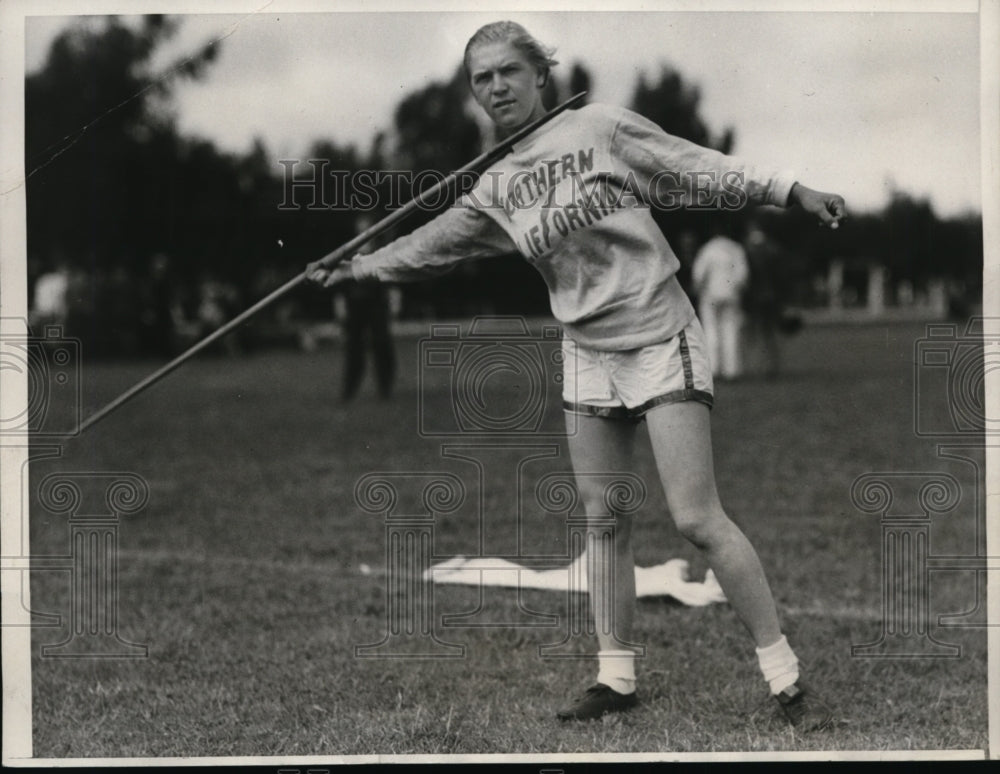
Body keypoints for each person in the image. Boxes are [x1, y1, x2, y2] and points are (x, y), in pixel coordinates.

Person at [307, 20, 846, 730]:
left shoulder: (600, 128)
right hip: (587, 350)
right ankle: (615, 679)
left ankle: (784, 675)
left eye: (508, 71)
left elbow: (693, 165)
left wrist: (789, 188)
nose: (496, 86)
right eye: (481, 78)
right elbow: (432, 246)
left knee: (695, 519)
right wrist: (358, 267)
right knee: (605, 520)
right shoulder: (494, 184)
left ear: (539, 75)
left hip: (658, 332)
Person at [691, 230, 749, 380]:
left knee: (711, 332)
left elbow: (698, 273)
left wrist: (698, 288)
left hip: (710, 294)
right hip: (731, 294)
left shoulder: (708, 249)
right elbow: (743, 274)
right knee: (731, 331)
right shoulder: (736, 249)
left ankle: (713, 369)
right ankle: (732, 370)